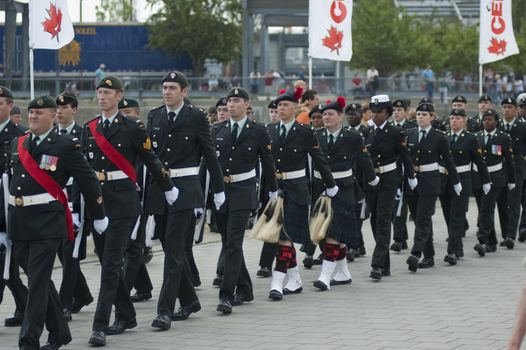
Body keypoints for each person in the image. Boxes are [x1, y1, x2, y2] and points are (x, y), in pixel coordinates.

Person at [85, 76, 177, 347]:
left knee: (112, 263)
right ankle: (126, 314)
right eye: (99, 92)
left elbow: (151, 158)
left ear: (119, 96)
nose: (102, 97)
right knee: (106, 262)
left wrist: (168, 187)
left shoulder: (133, 127)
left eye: (107, 92)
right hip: (98, 202)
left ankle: (99, 326)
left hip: (124, 202)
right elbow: (82, 171)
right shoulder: (89, 128)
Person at [10, 95, 108, 350]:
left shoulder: (65, 145)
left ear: (53, 116)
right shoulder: (17, 143)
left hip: (48, 223)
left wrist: (98, 215)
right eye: (31, 112)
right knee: (38, 280)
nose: (33, 116)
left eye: (39, 113)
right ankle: (60, 333)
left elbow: (89, 180)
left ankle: (28, 341)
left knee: (37, 283)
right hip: (20, 222)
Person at [145, 71, 225, 330]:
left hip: (185, 189)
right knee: (169, 248)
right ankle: (189, 300)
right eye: (164, 87)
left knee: (175, 252)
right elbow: (150, 157)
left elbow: (209, 155)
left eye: (172, 88)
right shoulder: (154, 116)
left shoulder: (196, 117)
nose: (166, 92)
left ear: (184, 91)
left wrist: (218, 189)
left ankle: (164, 311)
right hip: (160, 189)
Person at [267, 87, 336, 300]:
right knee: (281, 237)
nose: (281, 108)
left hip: (296, 188)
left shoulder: (305, 132)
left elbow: (319, 159)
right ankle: (293, 279)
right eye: (279, 106)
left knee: (284, 237)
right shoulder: (269, 130)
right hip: (275, 190)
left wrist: (330, 183)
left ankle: (277, 282)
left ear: (296, 108)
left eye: (286, 105)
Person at [213, 87, 277, 313]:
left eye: (236, 100)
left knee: (233, 243)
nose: (231, 105)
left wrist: (273, 190)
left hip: (243, 190)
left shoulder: (258, 130)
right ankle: (246, 288)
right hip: (220, 191)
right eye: (229, 101)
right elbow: (209, 164)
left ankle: (226, 295)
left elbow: (268, 162)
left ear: (247, 104)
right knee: (227, 242)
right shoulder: (217, 129)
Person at [313, 97, 378, 288]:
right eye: (324, 114)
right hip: (321, 188)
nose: (326, 117)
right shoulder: (316, 136)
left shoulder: (352, 136)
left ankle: (325, 275)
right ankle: (343, 273)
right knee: (324, 234)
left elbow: (364, 159)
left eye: (330, 114)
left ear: (340, 116)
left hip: (344, 188)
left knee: (334, 231)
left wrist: (372, 178)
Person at [363, 95, 416, 280]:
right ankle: (384, 265)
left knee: (384, 220)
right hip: (371, 180)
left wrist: (411, 176)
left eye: (380, 112)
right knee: (374, 220)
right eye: (373, 111)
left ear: (387, 113)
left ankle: (377, 264)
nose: (376, 115)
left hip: (389, 179)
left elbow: (405, 156)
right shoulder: (366, 132)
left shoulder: (395, 132)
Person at [405, 102, 460, 272]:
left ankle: (415, 253)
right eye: (419, 114)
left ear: (432, 117)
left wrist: (456, 181)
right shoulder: (410, 134)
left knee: (422, 218)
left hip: (430, 181)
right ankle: (429, 256)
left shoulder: (439, 136)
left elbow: (448, 160)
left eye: (424, 115)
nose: (420, 117)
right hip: (413, 180)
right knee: (420, 218)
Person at [54, 92, 95, 322]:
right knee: (62, 252)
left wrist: (79, 209)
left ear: (74, 110)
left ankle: (64, 303)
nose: (59, 111)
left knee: (71, 255)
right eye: (57, 107)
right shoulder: (50, 136)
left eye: (64, 107)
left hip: (76, 199)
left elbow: (86, 173)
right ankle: (84, 295)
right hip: (55, 199)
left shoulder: (84, 134)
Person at [116, 97, 156, 303]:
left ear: (137, 114)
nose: (125, 117)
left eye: (128, 113)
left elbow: (148, 166)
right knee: (131, 244)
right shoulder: (117, 135)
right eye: (122, 114)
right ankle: (144, 286)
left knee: (133, 246)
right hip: (124, 197)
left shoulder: (140, 134)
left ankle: (122, 291)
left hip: (141, 196)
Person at [442, 109, 490, 265]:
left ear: (464, 120)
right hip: (445, 180)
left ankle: (452, 252)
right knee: (449, 216)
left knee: (457, 216)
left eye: (457, 118)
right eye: (452, 118)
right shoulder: (444, 137)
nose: (453, 121)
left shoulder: (470, 139)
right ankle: (459, 247)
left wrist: (486, 181)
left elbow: (479, 161)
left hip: (462, 180)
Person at [0, 87, 28, 329]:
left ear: (10, 106)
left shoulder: (20, 136)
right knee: (9, 270)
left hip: (9, 210)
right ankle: (27, 306)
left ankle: (31, 307)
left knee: (9, 266)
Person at [474, 109, 515, 256]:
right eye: (485, 119)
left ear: (496, 122)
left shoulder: (503, 137)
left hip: (495, 178)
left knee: (487, 208)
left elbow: (509, 160)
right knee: (483, 209)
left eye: (490, 119)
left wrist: (512, 179)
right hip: (479, 178)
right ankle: (491, 243)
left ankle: (482, 241)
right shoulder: (476, 137)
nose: (487, 122)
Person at [497, 97, 526, 249]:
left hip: (517, 170)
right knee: (502, 203)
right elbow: (494, 148)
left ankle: (510, 236)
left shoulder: (522, 126)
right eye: (504, 107)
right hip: (500, 170)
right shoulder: (498, 126)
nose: (507, 109)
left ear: (515, 110)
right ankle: (504, 234)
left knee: (514, 203)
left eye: (510, 107)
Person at [389, 99, 417, 253]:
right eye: (394, 110)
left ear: (406, 112)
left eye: (399, 110)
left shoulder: (412, 129)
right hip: (392, 172)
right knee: (395, 207)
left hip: (408, 172)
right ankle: (401, 239)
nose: (396, 113)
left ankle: (400, 239)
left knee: (403, 206)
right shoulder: (388, 128)